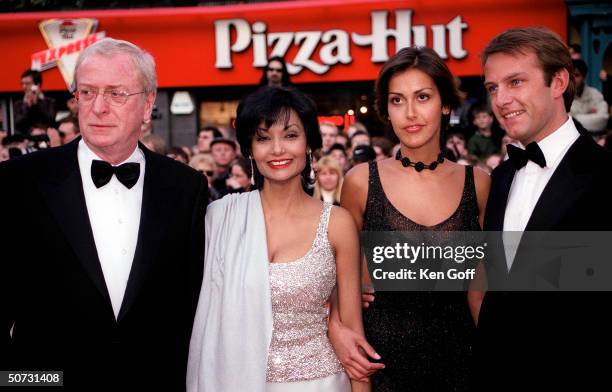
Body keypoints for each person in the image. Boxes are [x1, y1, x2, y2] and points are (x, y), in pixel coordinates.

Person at [0, 38, 208, 391]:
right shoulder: (18, 180)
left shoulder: (186, 188)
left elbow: (191, 304)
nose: (99, 107)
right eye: (87, 92)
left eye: (116, 94)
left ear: (148, 104)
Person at [187, 86, 369, 392]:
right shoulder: (219, 218)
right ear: (248, 149)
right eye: (262, 138)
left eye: (290, 135)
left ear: (309, 141)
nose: (277, 149)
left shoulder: (337, 223)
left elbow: (353, 334)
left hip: (320, 383)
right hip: (232, 382)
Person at [330, 46, 490, 391]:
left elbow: (480, 292)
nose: (410, 113)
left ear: (445, 103)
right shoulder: (360, 182)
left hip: (461, 368)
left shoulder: (477, 184)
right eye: (397, 100)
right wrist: (338, 322)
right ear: (386, 110)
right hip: (383, 371)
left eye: (422, 97)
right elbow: (341, 281)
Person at [474, 27, 612, 390]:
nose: (501, 99)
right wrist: (369, 276)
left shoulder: (605, 176)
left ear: (558, 82)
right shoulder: (500, 178)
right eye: (492, 88)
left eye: (515, 82)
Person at [570, 59, 609, 133]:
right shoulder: (564, 97)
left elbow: (603, 119)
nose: (573, 79)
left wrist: (574, 118)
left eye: (577, 75)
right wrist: (590, 116)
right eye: (570, 76)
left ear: (584, 77)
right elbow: (564, 125)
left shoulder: (594, 94)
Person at [13, 69, 57, 135]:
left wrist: (37, 103)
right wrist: (26, 105)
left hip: (45, 137)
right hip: (26, 139)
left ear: (37, 85)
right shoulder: (18, 104)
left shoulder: (50, 102)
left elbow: (51, 120)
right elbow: (18, 124)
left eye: (27, 83)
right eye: (22, 84)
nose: (24, 87)